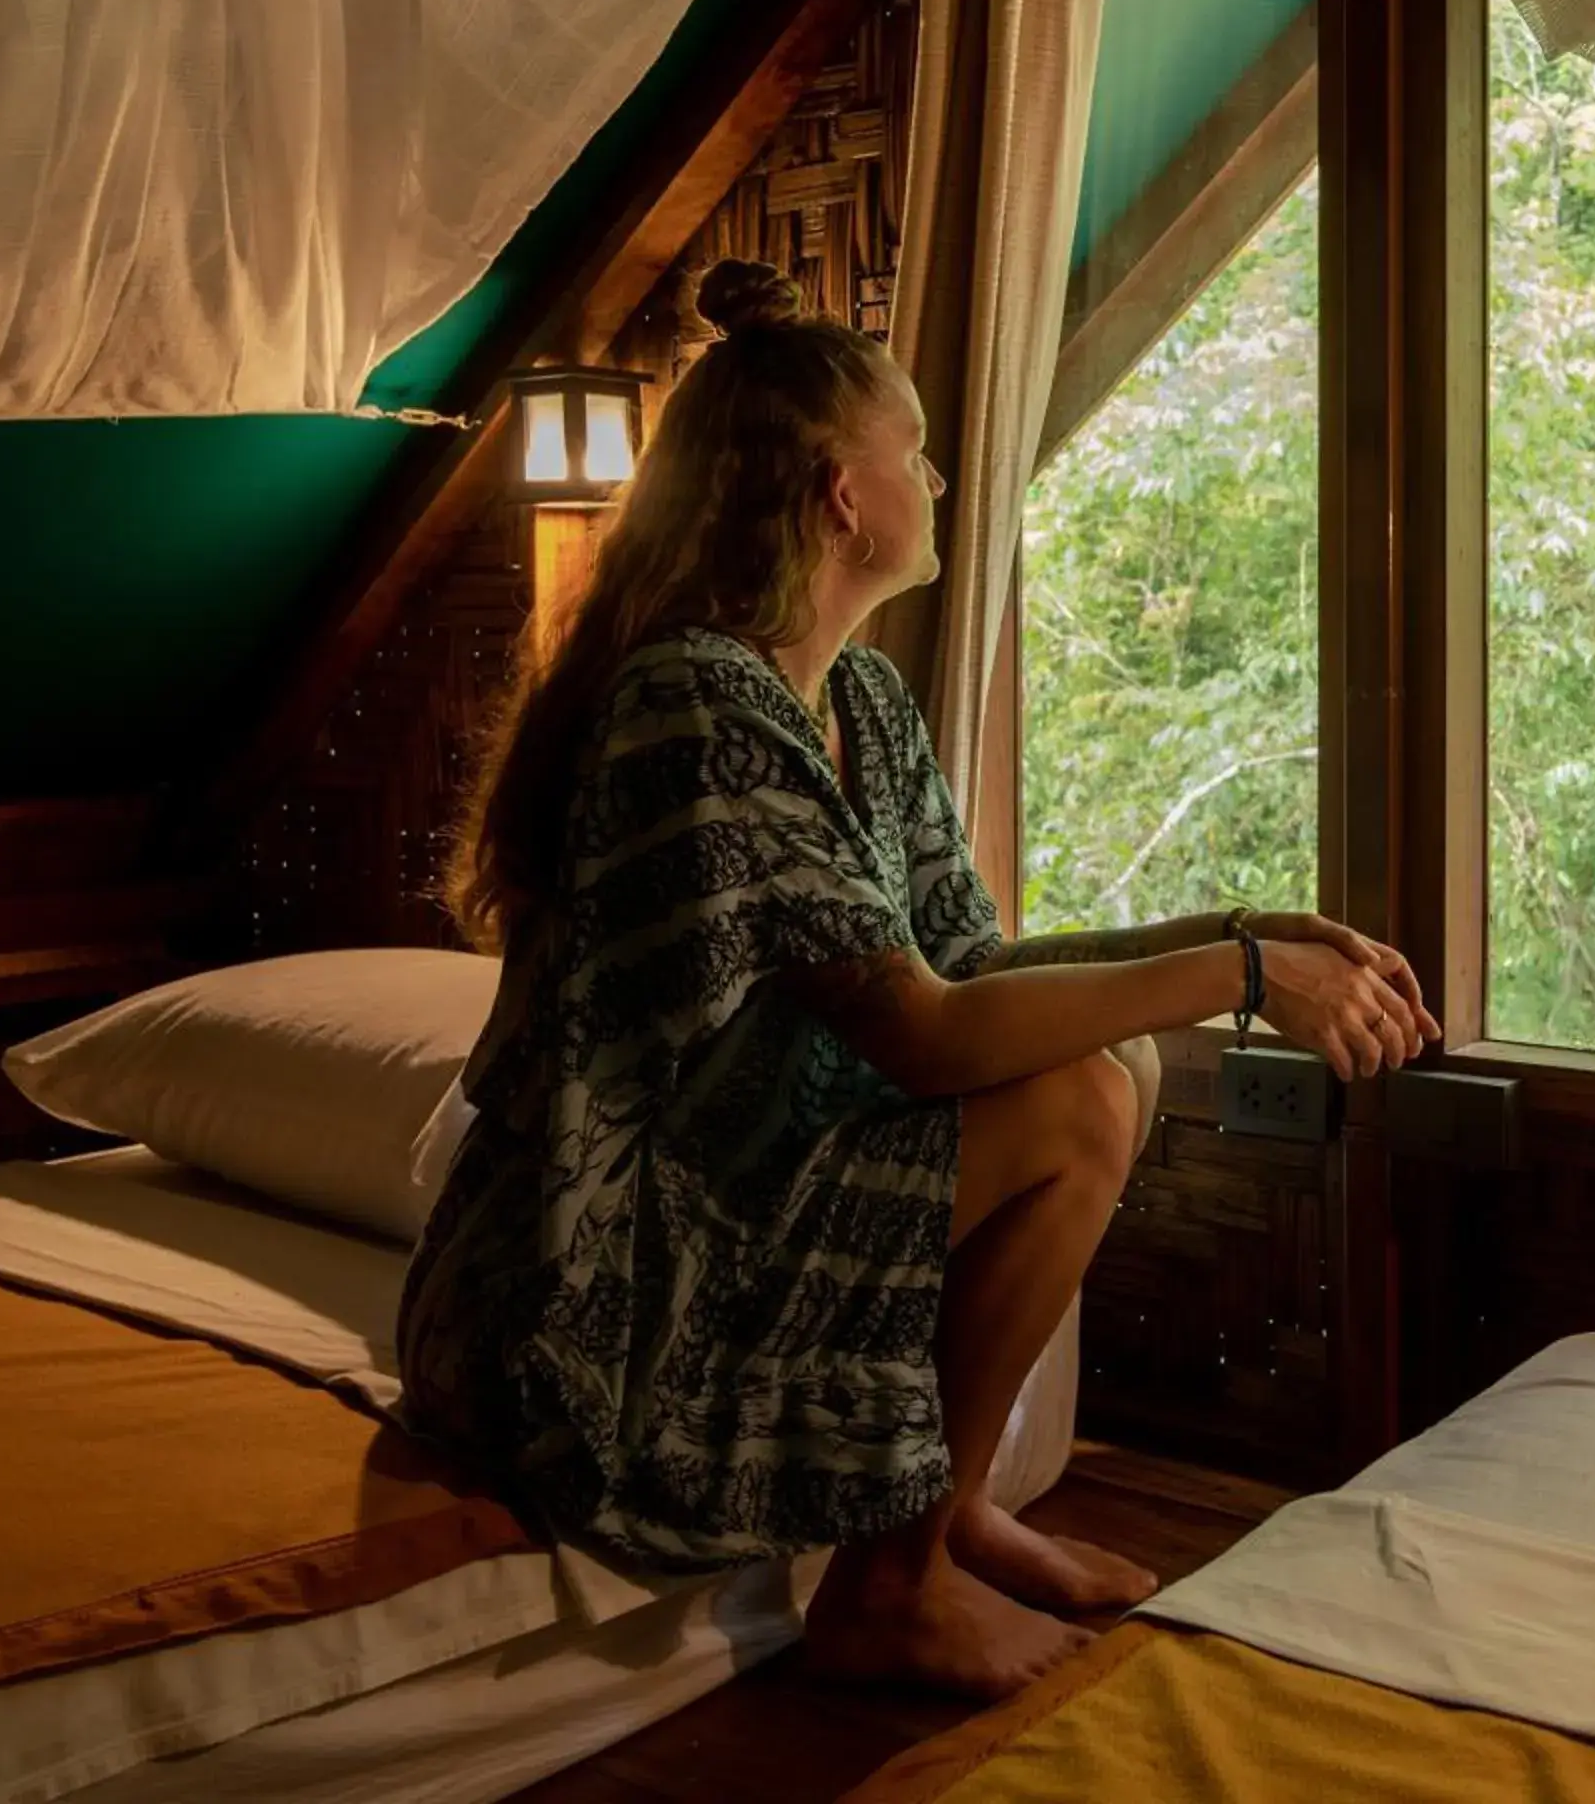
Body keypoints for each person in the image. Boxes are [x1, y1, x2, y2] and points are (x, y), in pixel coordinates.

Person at [400, 258, 1437, 1701]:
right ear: (841, 494)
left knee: (1112, 1067)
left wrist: (1254, 932)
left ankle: (941, 1518)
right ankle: (890, 1586)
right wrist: (1241, 974)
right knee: (1078, 1099)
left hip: (728, 1206)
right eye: (919, 455)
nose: (941, 482)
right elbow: (928, 1037)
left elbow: (968, 963)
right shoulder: (693, 701)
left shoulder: (861, 706)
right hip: (595, 1297)